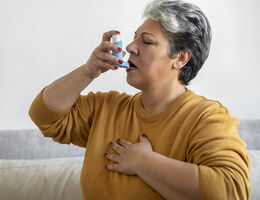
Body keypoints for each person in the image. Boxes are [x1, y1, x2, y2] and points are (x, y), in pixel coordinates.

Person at [29, 0, 251, 199]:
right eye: (135, 37)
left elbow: (231, 190)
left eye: (146, 41)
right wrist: (88, 71)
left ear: (180, 58)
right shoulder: (106, 107)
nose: (129, 47)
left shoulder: (206, 118)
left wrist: (142, 162)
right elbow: (43, 116)